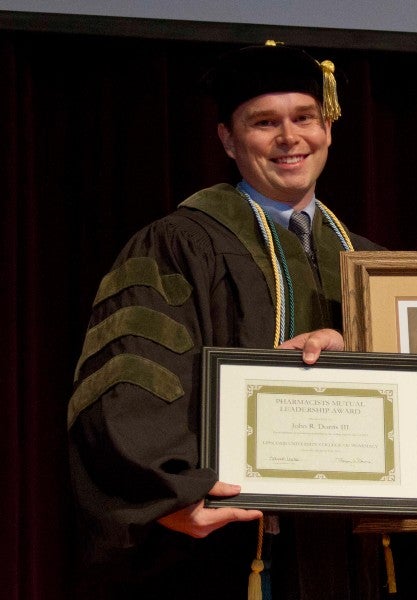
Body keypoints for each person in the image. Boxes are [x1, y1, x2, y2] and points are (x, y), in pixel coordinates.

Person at [67, 42, 383, 600]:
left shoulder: (373, 267)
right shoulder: (179, 245)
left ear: (328, 128)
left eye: (304, 117)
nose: (290, 138)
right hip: (221, 552)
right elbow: (128, 381)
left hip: (348, 550)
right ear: (228, 140)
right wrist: (169, 495)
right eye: (264, 123)